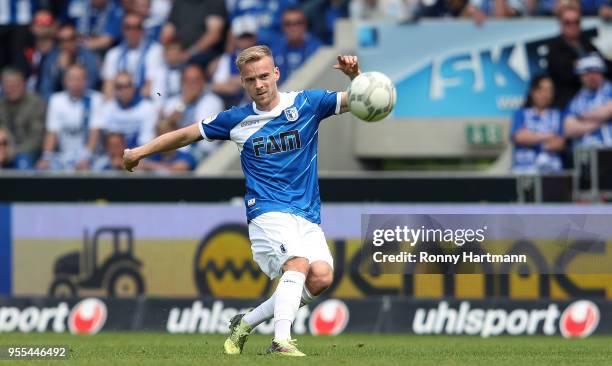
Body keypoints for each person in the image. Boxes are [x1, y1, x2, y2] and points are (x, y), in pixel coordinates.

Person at [123, 45, 360, 356]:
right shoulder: (236, 120)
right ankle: (281, 341)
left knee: (320, 278)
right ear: (243, 83)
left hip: (307, 213)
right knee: (298, 264)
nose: (259, 85)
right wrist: (140, 152)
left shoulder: (307, 103)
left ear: (276, 74)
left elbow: (361, 100)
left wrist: (356, 76)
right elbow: (185, 135)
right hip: (266, 210)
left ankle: (245, 323)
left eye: (264, 76)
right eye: (251, 80)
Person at [36, 64, 105, 171]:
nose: (76, 83)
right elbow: (52, 132)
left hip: (91, 156)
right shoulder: (56, 100)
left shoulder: (96, 99)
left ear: (86, 81)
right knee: (43, 167)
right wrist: (46, 157)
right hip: (64, 156)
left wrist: (85, 158)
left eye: (79, 79)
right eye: (72, 79)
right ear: (65, 81)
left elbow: (94, 132)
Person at [546, 5, 612, 108]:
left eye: (576, 22)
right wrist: (590, 68)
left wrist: (579, 65)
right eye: (568, 22)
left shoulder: (586, 43)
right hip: (570, 100)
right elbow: (565, 75)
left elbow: (604, 64)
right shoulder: (555, 47)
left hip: (596, 97)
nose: (573, 26)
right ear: (560, 24)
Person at [511, 75, 566, 173]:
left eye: (549, 90)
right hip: (523, 169)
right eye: (541, 89)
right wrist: (547, 136)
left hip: (551, 170)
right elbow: (519, 137)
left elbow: (559, 144)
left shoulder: (558, 115)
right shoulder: (521, 113)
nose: (545, 94)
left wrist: (530, 139)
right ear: (532, 91)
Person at [102, 13, 163, 99]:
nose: (132, 31)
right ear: (122, 30)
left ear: (142, 30)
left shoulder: (155, 51)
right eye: (128, 27)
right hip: (118, 102)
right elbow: (108, 87)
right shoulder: (113, 54)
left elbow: (152, 85)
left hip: (144, 101)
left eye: (136, 27)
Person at [0, 67, 46, 169]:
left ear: (24, 84)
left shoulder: (36, 103)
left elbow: (36, 139)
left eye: (15, 84)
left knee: (23, 160)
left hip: (29, 150)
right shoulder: (1, 104)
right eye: (8, 85)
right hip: (4, 150)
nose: (12, 88)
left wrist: (13, 152)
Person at [39, 23, 99, 100]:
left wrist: (65, 70)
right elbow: (45, 89)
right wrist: (59, 70)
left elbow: (91, 85)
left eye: (71, 39)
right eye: (62, 40)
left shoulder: (89, 57)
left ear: (77, 39)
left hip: (84, 101)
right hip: (59, 103)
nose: (66, 44)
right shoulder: (51, 58)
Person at [564, 53, 612, 147]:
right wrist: (603, 120)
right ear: (580, 76)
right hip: (590, 154)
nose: (591, 77)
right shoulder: (576, 100)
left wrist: (581, 117)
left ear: (601, 72)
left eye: (595, 72)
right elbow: (569, 129)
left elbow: (609, 110)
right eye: (586, 73)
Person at [102, 72, 157, 148]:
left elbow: (146, 142)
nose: (123, 90)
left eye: (127, 86)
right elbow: (108, 141)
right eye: (119, 87)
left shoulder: (147, 108)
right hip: (115, 155)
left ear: (134, 87)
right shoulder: (108, 108)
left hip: (140, 154)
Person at [271, 8, 323, 85]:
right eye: (288, 24)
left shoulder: (317, 49)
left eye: (298, 23)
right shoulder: (274, 50)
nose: (293, 28)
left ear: (305, 25)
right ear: (282, 27)